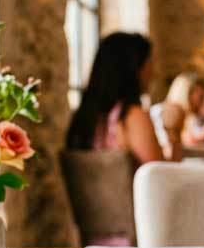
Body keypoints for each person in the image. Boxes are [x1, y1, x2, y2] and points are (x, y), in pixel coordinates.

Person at [66, 32, 166, 165]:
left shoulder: (83, 118)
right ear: (133, 68)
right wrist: (174, 134)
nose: (154, 73)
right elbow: (160, 173)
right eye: (149, 64)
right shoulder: (132, 116)